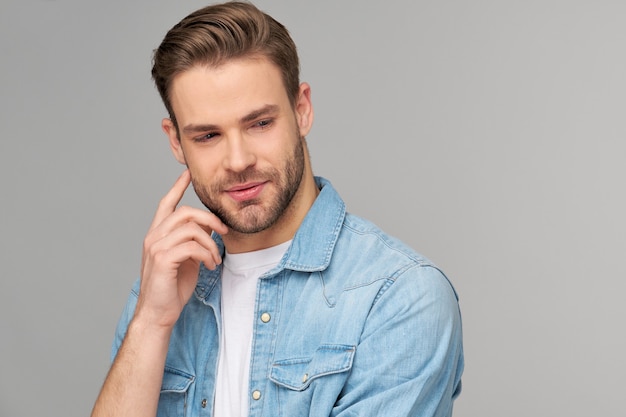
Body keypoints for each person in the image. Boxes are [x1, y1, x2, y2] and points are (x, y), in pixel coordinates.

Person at [91, 2, 464, 416]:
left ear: (301, 109)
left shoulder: (399, 297)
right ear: (176, 142)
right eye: (208, 135)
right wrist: (150, 323)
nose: (237, 160)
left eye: (260, 123)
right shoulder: (163, 287)